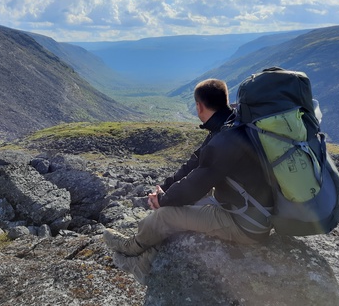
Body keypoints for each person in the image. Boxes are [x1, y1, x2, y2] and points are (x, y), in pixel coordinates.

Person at [103, 78, 274, 285]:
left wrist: (163, 201)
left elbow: (195, 186)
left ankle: (131, 247)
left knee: (166, 215)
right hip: (250, 210)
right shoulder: (230, 125)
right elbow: (196, 163)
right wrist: (165, 188)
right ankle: (144, 263)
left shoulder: (225, 139)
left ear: (199, 106)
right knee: (179, 207)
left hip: (244, 224)